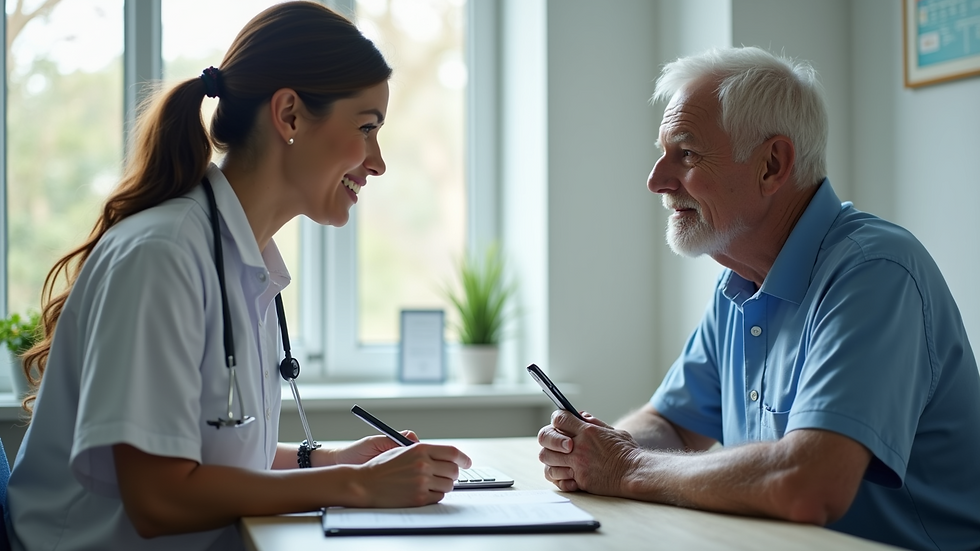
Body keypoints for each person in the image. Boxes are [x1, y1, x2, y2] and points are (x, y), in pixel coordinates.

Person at [4, 2, 471, 550]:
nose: (378, 162)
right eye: (366, 127)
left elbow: (212, 451)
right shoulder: (162, 256)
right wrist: (356, 485)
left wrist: (328, 460)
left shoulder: (241, 258)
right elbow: (158, 496)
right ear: (289, 115)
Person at [537, 46, 980, 551]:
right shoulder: (740, 279)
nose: (656, 180)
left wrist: (628, 467)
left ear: (772, 165)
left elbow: (808, 484)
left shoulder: (875, 272)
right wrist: (595, 452)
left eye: (686, 153)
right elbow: (670, 423)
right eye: (662, 153)